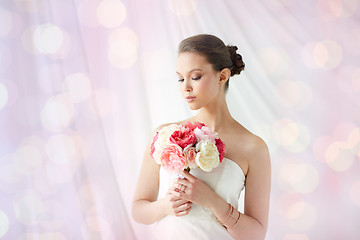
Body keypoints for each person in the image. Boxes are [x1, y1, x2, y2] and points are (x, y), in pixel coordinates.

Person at [132, 34, 271, 240]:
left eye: (195, 77)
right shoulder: (165, 135)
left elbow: (256, 234)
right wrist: (165, 206)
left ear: (222, 76)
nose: (185, 87)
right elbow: (138, 210)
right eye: (180, 78)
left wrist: (212, 202)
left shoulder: (253, 147)